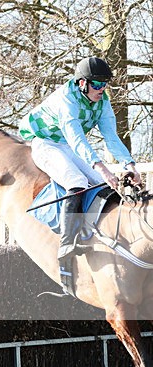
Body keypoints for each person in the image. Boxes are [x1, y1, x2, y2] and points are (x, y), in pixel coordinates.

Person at [18, 56, 141, 263]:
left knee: (102, 185)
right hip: (46, 143)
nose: (102, 89)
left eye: (105, 84)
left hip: (68, 145)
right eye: (98, 84)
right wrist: (103, 169)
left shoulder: (102, 102)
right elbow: (77, 140)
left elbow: (111, 137)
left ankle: (96, 233)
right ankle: (67, 242)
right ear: (82, 83)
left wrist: (130, 166)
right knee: (76, 181)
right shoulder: (67, 100)